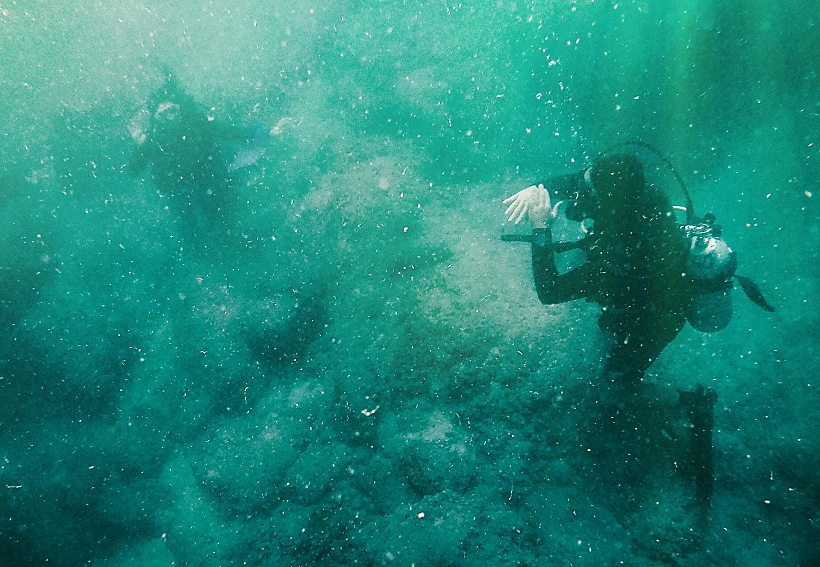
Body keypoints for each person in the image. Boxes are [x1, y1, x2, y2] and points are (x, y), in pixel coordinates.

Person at [504, 153, 692, 385]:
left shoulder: (621, 260)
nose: (581, 192)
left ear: (607, 201)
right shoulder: (642, 194)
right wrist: (537, 188)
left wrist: (541, 228)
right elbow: (578, 181)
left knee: (617, 381)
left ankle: (686, 403)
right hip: (654, 291)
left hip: (652, 315)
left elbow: (550, 292)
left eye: (589, 191)